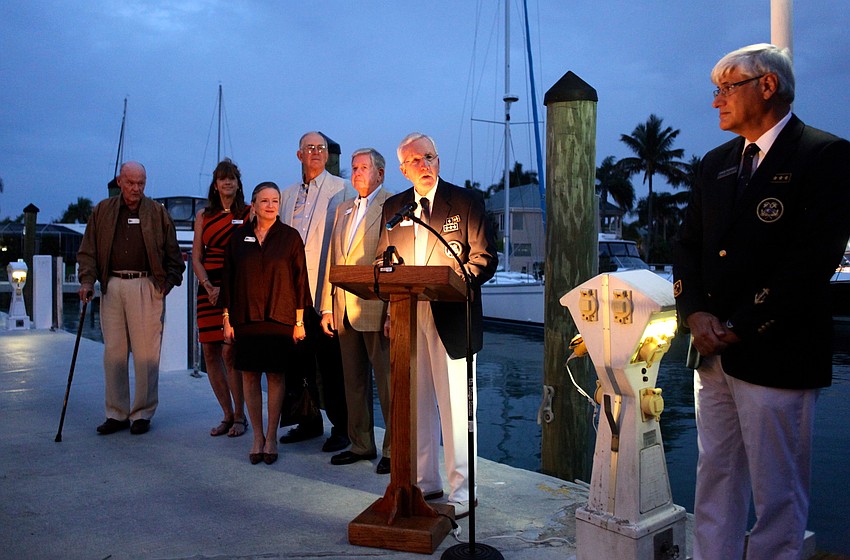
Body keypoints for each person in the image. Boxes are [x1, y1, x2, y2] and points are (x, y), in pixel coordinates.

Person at [672, 44, 850, 560]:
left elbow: (811, 260)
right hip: (715, 352)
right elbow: (688, 247)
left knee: (778, 492)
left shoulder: (824, 155)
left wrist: (742, 323)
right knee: (716, 475)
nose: (716, 102)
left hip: (780, 350)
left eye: (727, 88)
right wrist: (696, 312)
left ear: (766, 86)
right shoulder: (715, 164)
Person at [376, 133, 497, 518]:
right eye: (416, 160)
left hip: (451, 313)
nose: (425, 165)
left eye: (430, 157)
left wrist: (456, 279)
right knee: (417, 404)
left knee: (456, 408)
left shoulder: (464, 201)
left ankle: (463, 492)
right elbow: (383, 261)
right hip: (409, 312)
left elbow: (484, 258)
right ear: (403, 169)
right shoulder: (394, 207)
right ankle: (425, 481)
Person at [77, 161, 185, 436]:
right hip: (112, 285)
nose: (136, 188)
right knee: (113, 352)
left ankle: (142, 413)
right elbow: (87, 251)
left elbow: (174, 257)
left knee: (146, 354)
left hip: (146, 285)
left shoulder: (157, 213)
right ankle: (116, 413)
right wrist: (88, 281)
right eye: (131, 183)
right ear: (120, 182)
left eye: (141, 183)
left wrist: (165, 285)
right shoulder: (102, 210)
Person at [222, 182, 310, 465]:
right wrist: (227, 318)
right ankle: (256, 436)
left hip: (279, 316)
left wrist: (299, 321)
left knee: (275, 376)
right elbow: (228, 281)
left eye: (275, 200)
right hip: (246, 317)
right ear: (254, 204)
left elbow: (300, 281)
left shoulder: (290, 237)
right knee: (249, 375)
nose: (270, 205)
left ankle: (271, 437)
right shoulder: (238, 238)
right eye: (265, 201)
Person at [278, 131, 354, 452]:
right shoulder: (286, 194)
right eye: (309, 148)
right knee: (298, 361)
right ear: (299, 155)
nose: (316, 152)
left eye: (320, 148)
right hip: (292, 290)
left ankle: (342, 426)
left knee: (331, 360)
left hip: (324, 288)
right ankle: (308, 420)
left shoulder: (341, 189)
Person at [319, 148, 392, 474]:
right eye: (354, 168)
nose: (357, 172)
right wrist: (326, 307)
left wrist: (392, 309)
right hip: (343, 308)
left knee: (388, 383)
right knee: (354, 383)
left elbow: (394, 259)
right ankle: (361, 443)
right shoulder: (344, 209)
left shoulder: (393, 204)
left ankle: (394, 448)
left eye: (364, 167)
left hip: (377, 307)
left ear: (380, 173)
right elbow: (332, 262)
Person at [192, 159, 250, 438]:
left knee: (230, 352)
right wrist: (208, 285)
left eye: (232, 179)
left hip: (235, 290)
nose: (227, 183)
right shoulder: (203, 215)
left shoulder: (248, 213)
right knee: (210, 353)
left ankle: (241, 416)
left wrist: (227, 290)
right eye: (222, 179)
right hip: (208, 290)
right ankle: (227, 414)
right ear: (215, 185)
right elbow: (196, 257)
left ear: (238, 184)